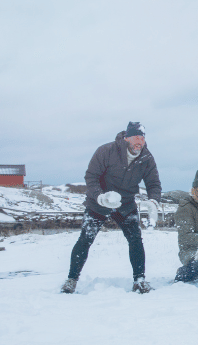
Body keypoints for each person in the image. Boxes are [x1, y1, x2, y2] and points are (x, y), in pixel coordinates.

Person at [60, 122, 162, 295]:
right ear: (127, 137)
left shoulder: (146, 158)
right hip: (99, 202)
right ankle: (71, 279)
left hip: (126, 203)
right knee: (86, 238)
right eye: (136, 137)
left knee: (135, 239)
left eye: (143, 138)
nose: (140, 141)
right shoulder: (106, 151)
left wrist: (153, 201)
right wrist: (100, 196)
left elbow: (153, 184)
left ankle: (139, 280)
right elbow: (91, 177)